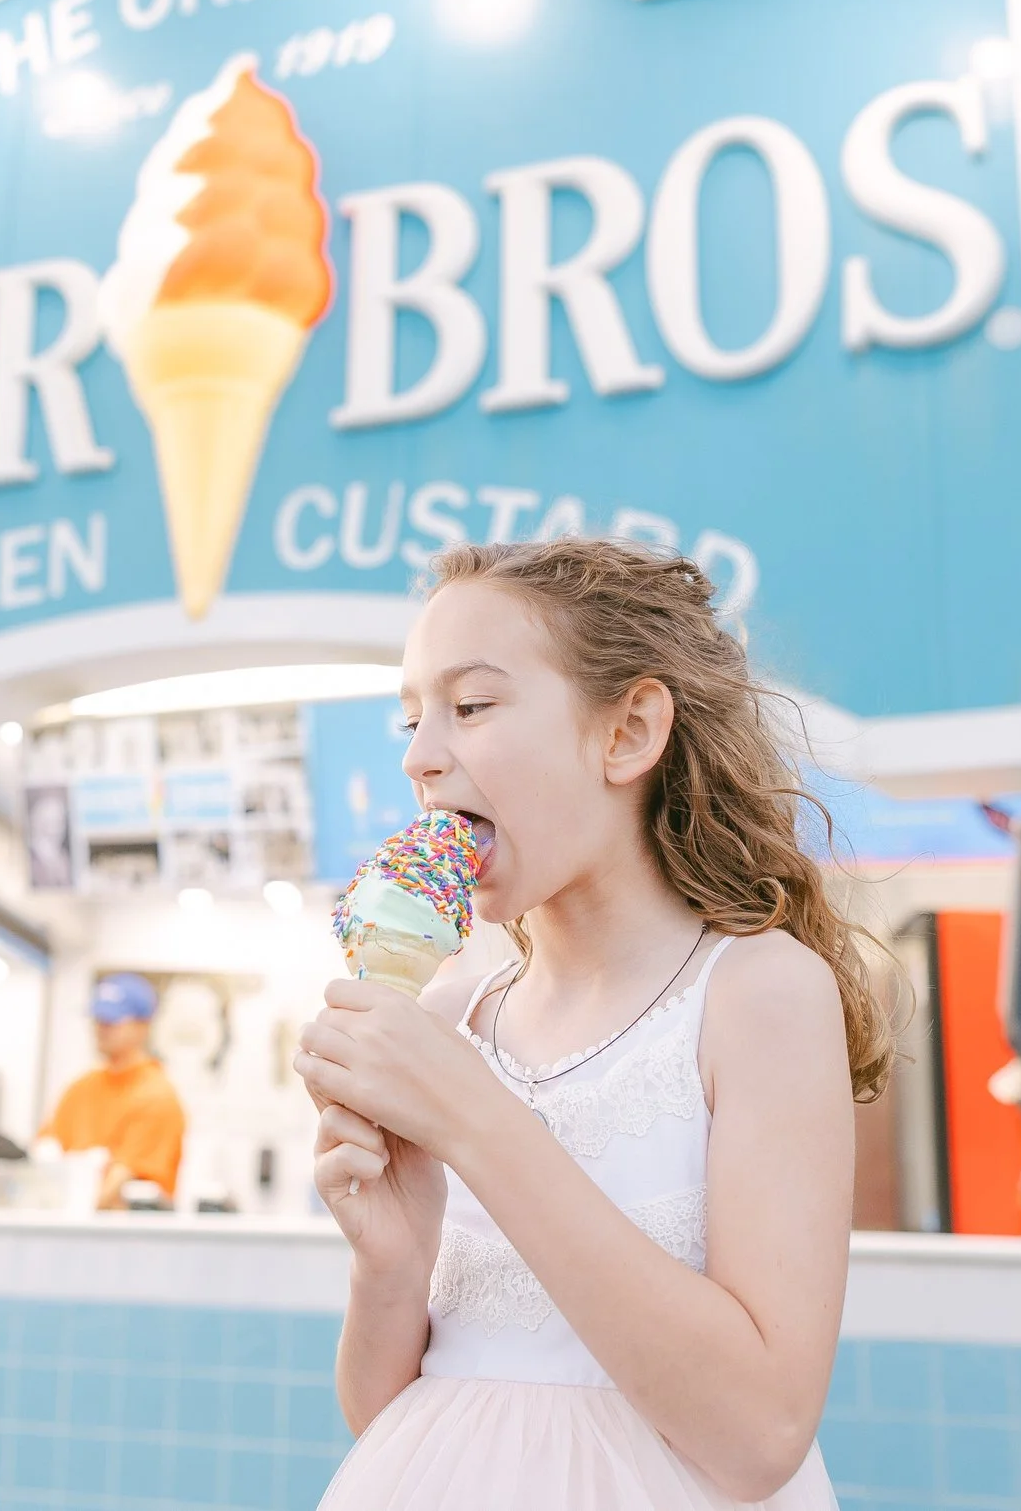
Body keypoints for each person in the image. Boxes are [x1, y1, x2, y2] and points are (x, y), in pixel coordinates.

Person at [296, 539, 891, 1510]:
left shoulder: (758, 994)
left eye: (471, 706)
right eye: (410, 717)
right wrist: (389, 1262)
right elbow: (387, 1418)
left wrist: (480, 1126)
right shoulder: (452, 1011)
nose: (417, 754)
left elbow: (760, 1435)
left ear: (627, 732)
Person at [39, 973, 185, 1209]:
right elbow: (46, 1151)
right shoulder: (80, 1088)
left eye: (112, 1021)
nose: (101, 1028)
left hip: (128, 1237)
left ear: (143, 1026)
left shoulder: (157, 1096)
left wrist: (74, 1219)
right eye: (98, 1019)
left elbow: (120, 1181)